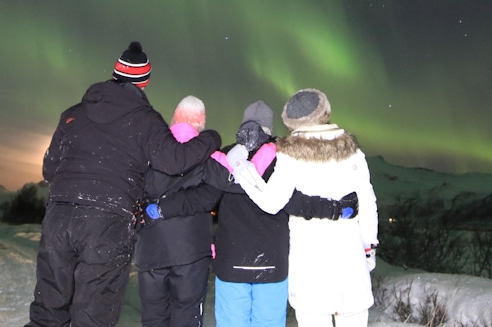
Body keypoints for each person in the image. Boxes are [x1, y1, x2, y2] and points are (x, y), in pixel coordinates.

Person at [25, 42, 222, 327]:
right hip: (107, 222)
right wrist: (211, 138)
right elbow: (175, 161)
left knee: (48, 307)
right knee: (93, 311)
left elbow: (49, 168)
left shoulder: (72, 114)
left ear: (115, 73)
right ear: (145, 81)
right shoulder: (145, 120)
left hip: (60, 216)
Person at [142, 100, 358, 327]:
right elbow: (296, 202)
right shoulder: (282, 159)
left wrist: (161, 208)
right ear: (269, 129)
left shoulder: (223, 159)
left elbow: (202, 198)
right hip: (272, 264)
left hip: (231, 264)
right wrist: (336, 208)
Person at [228, 89, 378, 327]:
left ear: (291, 121)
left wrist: (241, 168)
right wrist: (368, 250)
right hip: (350, 262)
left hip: (311, 268)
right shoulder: (353, 153)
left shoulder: (291, 156)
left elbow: (271, 202)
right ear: (325, 112)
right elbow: (367, 204)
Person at [134, 95, 215, 327]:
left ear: (172, 120)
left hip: (151, 249)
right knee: (187, 316)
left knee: (154, 317)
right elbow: (211, 195)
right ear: (202, 122)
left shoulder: (147, 153)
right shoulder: (210, 156)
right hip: (191, 252)